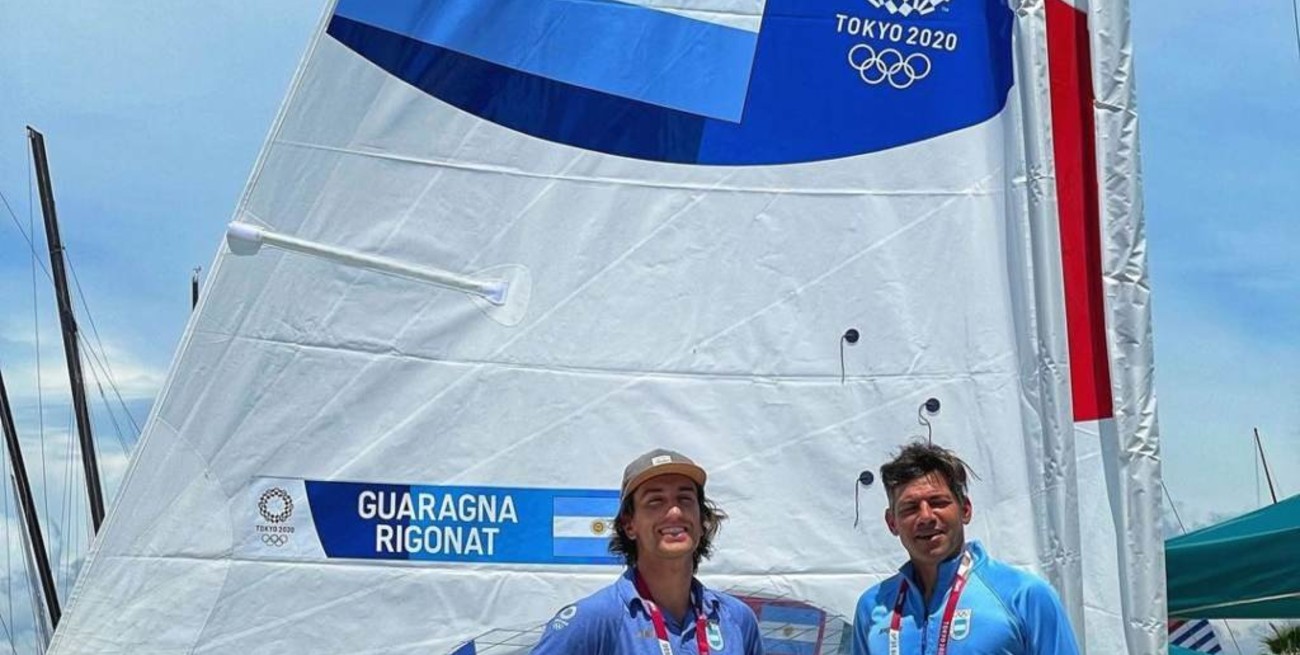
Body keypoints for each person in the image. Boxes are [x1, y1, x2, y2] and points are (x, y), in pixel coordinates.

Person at [851, 442, 1080, 654]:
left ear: (965, 510)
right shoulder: (872, 607)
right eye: (910, 508)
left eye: (938, 502)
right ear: (892, 523)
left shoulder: (1024, 596)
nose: (926, 517)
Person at [531, 448, 764, 654]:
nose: (675, 512)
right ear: (629, 525)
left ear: (702, 520)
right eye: (655, 501)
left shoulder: (737, 619)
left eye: (685, 498)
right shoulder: (593, 620)